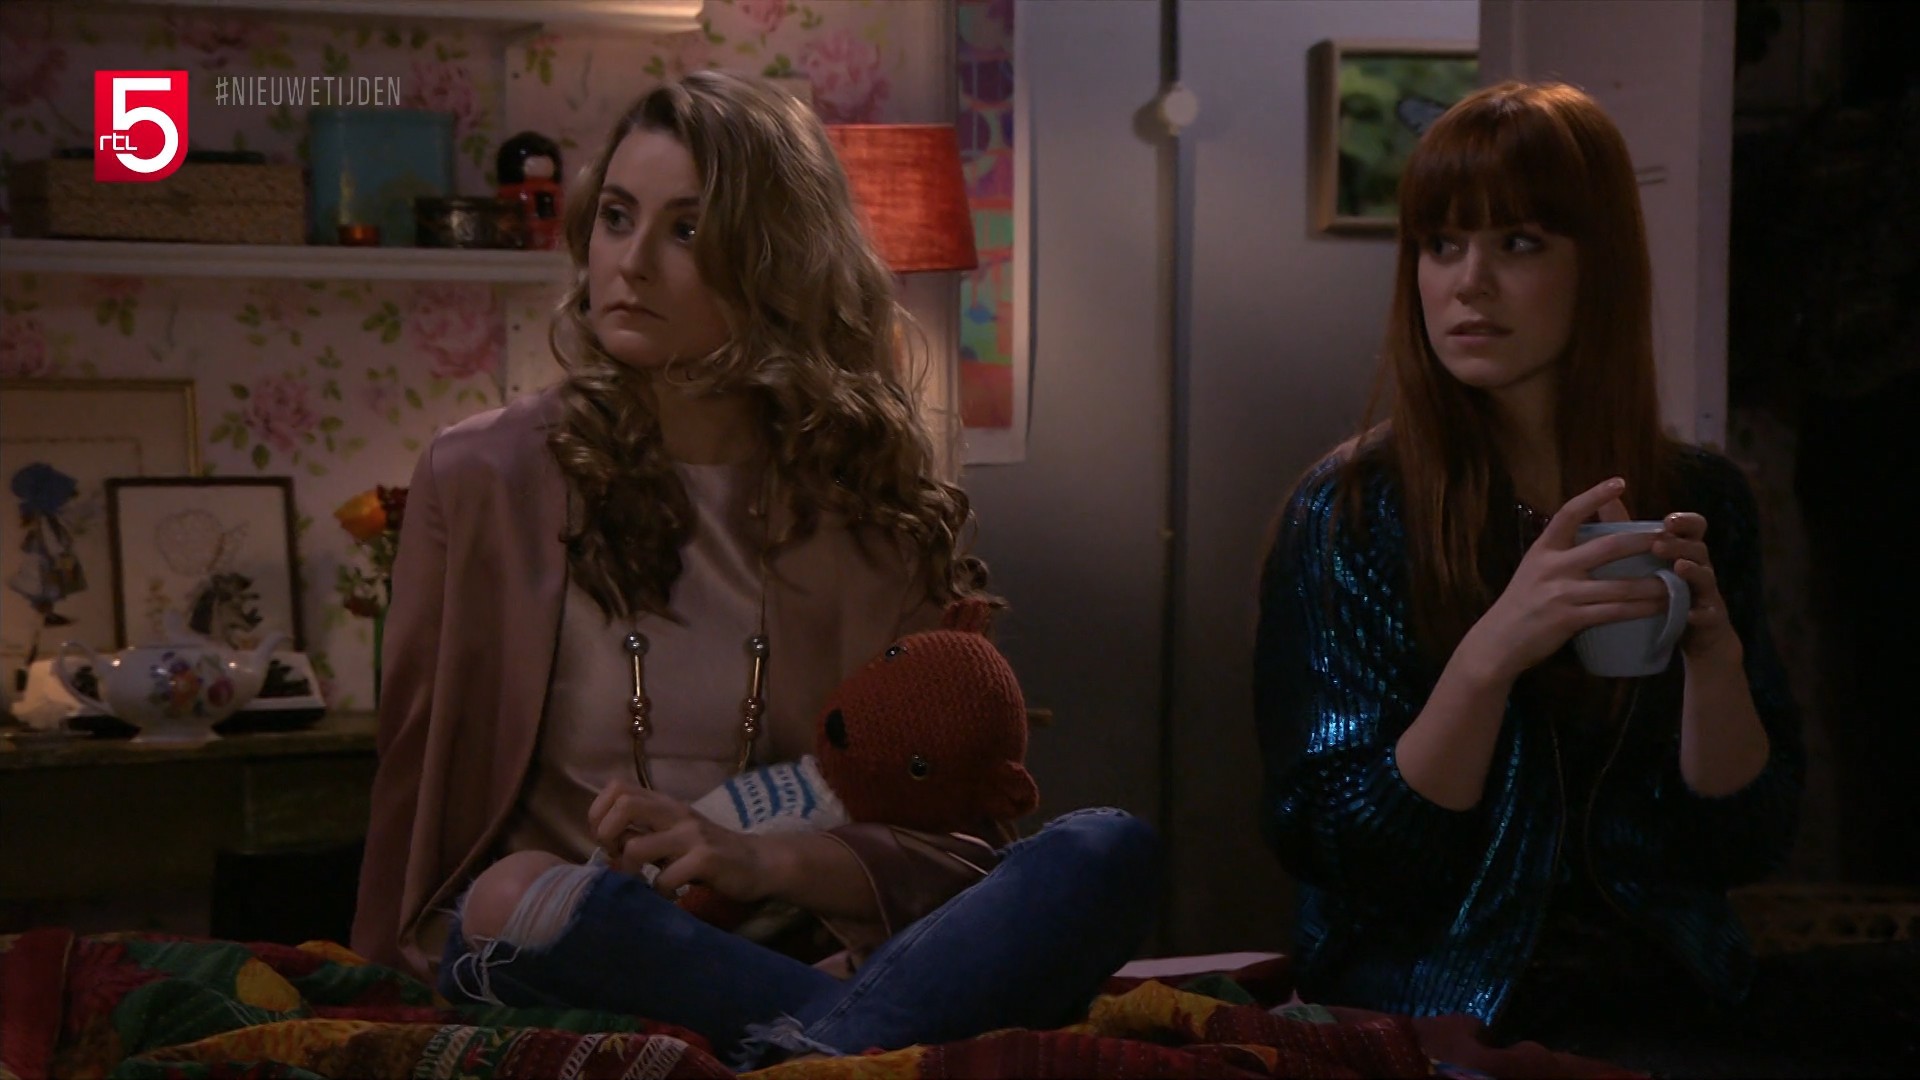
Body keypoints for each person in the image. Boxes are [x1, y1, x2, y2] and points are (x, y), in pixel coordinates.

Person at [352, 71, 1160, 1066]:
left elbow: (953, 848)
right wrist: (378, 1002)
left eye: (688, 230)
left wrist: (764, 861)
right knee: (515, 893)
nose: (631, 262)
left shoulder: (875, 511)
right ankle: (854, 1047)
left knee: (1106, 849)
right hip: (571, 951)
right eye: (616, 217)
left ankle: (814, 1046)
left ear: (777, 261)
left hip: (802, 956)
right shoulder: (482, 475)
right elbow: (413, 796)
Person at [1253, 82, 1806, 1059]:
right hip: (1431, 1007)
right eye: (1441, 245)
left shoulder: (1700, 498)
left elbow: (1743, 844)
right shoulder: (1352, 512)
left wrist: (1714, 662)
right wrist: (1490, 657)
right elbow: (1343, 847)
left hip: (1665, 996)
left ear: (1600, 266)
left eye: (1518, 243)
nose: (1469, 283)